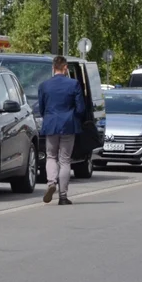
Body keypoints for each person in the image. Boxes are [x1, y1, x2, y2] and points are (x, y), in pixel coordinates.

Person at [37, 55, 86, 205]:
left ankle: (51, 183)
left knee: (51, 156)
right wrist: (74, 118)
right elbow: (81, 108)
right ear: (65, 68)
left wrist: (50, 116)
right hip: (68, 125)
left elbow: (41, 108)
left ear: (53, 68)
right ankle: (63, 196)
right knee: (65, 159)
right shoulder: (74, 84)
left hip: (51, 124)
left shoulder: (44, 85)